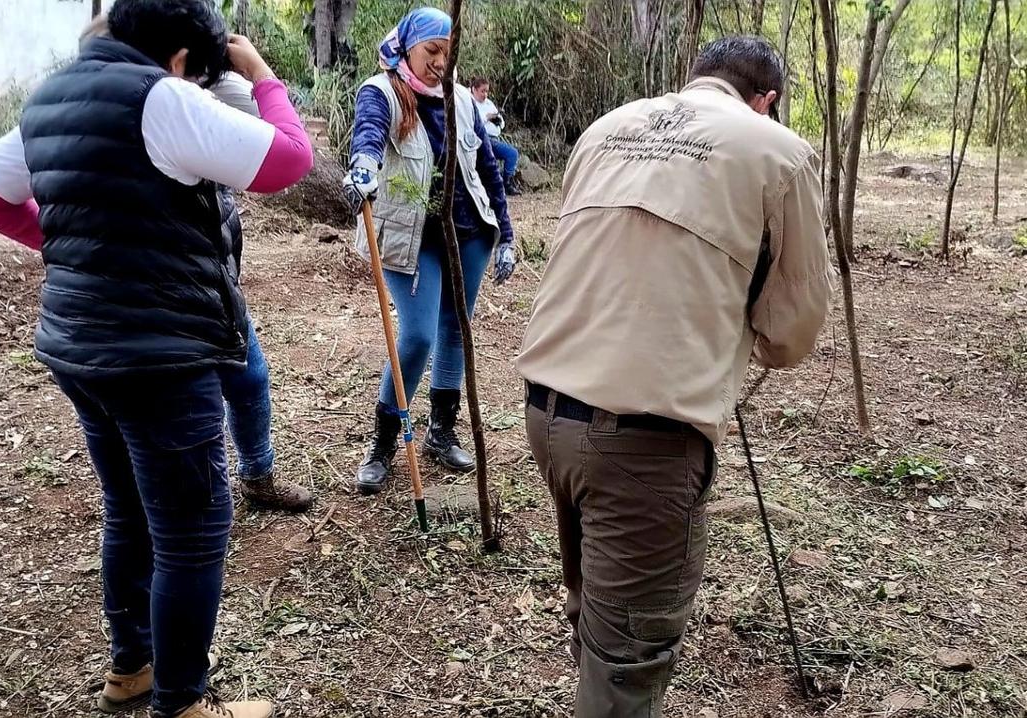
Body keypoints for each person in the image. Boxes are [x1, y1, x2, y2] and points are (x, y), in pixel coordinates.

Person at [0, 1, 313, 716]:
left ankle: (133, 669)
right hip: (158, 357)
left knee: (128, 508)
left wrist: (70, 250)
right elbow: (288, 161)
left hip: (79, 348)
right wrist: (263, 75)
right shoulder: (162, 96)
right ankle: (182, 703)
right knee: (193, 531)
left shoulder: (51, 95)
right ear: (181, 58)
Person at [516, 36, 832, 716]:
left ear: (695, 79)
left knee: (597, 614)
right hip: (644, 442)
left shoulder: (607, 128)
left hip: (546, 413)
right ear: (766, 101)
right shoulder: (778, 152)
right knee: (628, 662)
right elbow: (792, 330)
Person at [342, 7, 516, 496]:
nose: (441, 62)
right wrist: (363, 167)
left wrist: (505, 234)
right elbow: (369, 135)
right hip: (412, 238)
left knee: (456, 330)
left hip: (469, 235)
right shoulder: (383, 93)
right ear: (408, 49)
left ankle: (442, 431)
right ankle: (382, 444)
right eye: (431, 52)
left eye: (448, 52)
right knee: (418, 336)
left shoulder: (462, 99)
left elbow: (487, 167)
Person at [470, 77, 521, 196]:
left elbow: (501, 122)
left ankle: (506, 181)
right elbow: (472, 122)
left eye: (487, 91)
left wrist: (498, 120)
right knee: (511, 153)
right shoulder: (469, 103)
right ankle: (505, 184)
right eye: (482, 91)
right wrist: (487, 117)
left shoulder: (488, 103)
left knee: (511, 154)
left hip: (494, 138)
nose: (485, 94)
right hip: (482, 139)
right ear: (474, 90)